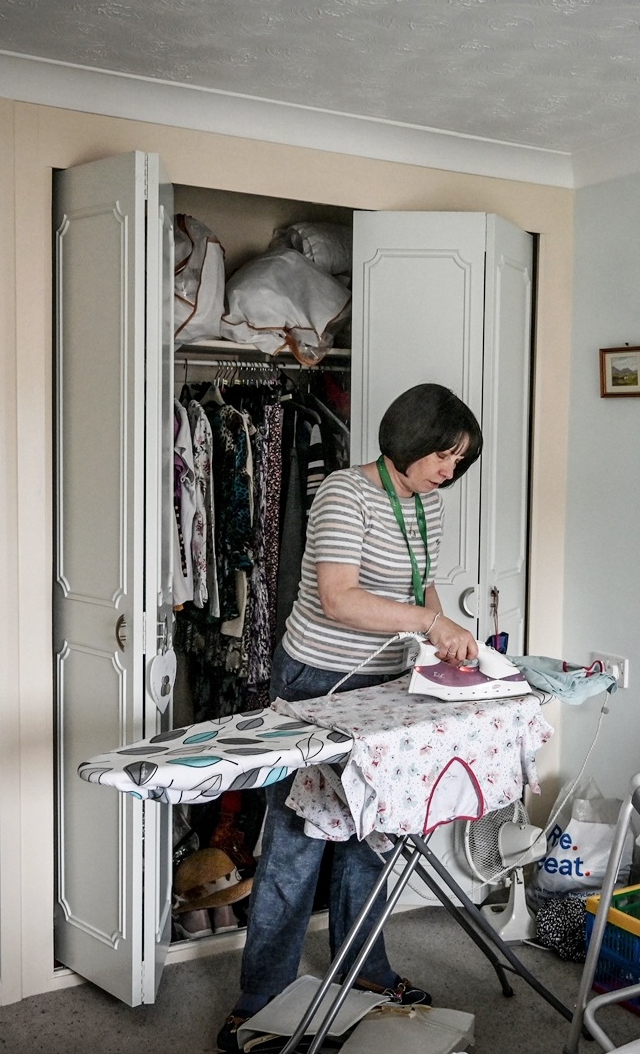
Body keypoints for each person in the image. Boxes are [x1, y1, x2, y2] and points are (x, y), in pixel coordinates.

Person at [217, 383, 482, 1052]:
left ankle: (365, 969)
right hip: (314, 681)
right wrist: (428, 620)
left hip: (384, 684)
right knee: (298, 833)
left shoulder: (429, 504)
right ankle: (263, 995)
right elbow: (339, 599)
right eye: (444, 455)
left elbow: (420, 585)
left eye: (459, 459)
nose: (450, 470)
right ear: (411, 436)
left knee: (374, 828)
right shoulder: (344, 491)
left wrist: (440, 636)